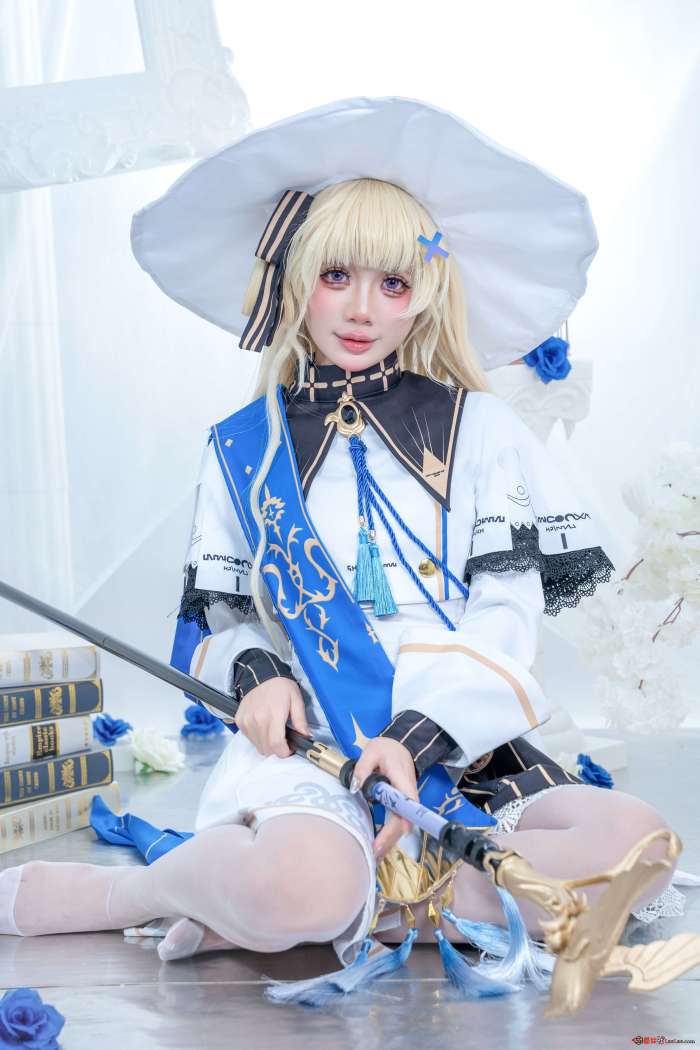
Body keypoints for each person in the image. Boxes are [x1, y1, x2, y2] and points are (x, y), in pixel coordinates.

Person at [0, 98, 691, 1004]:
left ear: (426, 294)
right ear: (296, 282)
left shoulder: (483, 429)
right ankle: (139, 894)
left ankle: (330, 906)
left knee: (639, 843)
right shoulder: (241, 446)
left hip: (460, 737)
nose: (363, 309)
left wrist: (415, 735)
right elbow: (222, 615)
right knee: (305, 884)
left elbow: (506, 614)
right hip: (314, 743)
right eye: (336, 275)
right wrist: (257, 675)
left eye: (393, 285)